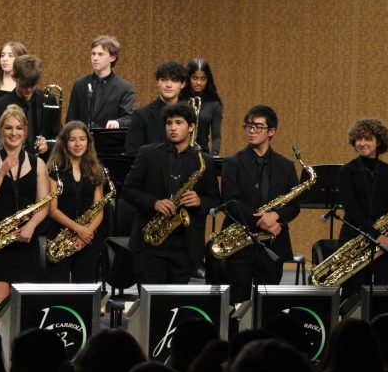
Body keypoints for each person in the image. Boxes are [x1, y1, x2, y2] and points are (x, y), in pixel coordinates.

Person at [123, 103, 220, 285]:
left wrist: (200, 201)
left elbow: (215, 200)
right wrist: (154, 203)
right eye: (169, 123)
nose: (173, 127)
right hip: (149, 246)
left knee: (175, 306)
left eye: (178, 122)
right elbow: (127, 190)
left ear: (191, 127)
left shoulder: (204, 162)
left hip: (185, 247)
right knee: (149, 306)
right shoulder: (147, 153)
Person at [0, 104, 50, 326]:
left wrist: (31, 226)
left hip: (25, 241)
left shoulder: (38, 164)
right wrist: (2, 170)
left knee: (21, 305)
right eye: (8, 128)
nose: (14, 132)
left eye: (18, 128)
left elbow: (43, 204)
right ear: (1, 131)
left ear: (26, 131)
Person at [217, 105, 300, 304]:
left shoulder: (286, 166)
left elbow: (294, 205)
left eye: (258, 127)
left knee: (268, 305)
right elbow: (230, 201)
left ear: (271, 132)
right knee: (237, 303)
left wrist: (276, 216)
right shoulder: (232, 163)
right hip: (239, 244)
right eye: (248, 126)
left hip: (273, 243)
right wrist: (263, 221)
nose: (251, 131)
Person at [337, 119, 388, 300]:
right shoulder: (347, 171)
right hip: (354, 239)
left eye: (368, 138)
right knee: (351, 296)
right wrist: (377, 236)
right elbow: (352, 211)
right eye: (358, 139)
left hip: (383, 242)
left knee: (380, 295)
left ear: (379, 141)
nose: (362, 143)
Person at [45, 121, 106, 283]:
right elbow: (52, 210)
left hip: (86, 240)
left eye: (82, 139)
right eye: (72, 139)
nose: (78, 144)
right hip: (59, 237)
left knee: (85, 292)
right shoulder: (54, 170)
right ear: (64, 143)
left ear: (88, 142)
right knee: (57, 290)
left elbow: (98, 210)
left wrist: (86, 234)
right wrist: (79, 229)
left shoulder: (95, 171)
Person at [0, 54, 58, 156]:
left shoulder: (49, 100)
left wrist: (48, 145)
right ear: (13, 77)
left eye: (33, 85)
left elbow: (59, 137)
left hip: (44, 165)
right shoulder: (0, 106)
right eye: (24, 86)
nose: (29, 90)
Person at [66, 34, 135, 129]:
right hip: (83, 141)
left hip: (109, 140)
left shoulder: (124, 87)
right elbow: (71, 119)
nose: (95, 58)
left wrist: (118, 122)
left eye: (100, 54)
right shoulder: (80, 84)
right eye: (93, 53)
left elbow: (129, 117)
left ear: (113, 57)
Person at [125, 61, 188, 155]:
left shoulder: (190, 115)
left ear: (182, 84)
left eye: (174, 80)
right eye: (164, 80)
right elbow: (132, 153)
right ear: (158, 82)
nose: (168, 85)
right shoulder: (141, 115)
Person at [179, 58, 223, 156]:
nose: (199, 82)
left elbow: (216, 135)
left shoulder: (214, 104)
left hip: (202, 154)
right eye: (195, 78)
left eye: (203, 79)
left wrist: (214, 154)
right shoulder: (178, 99)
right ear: (188, 78)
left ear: (208, 80)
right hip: (177, 153)